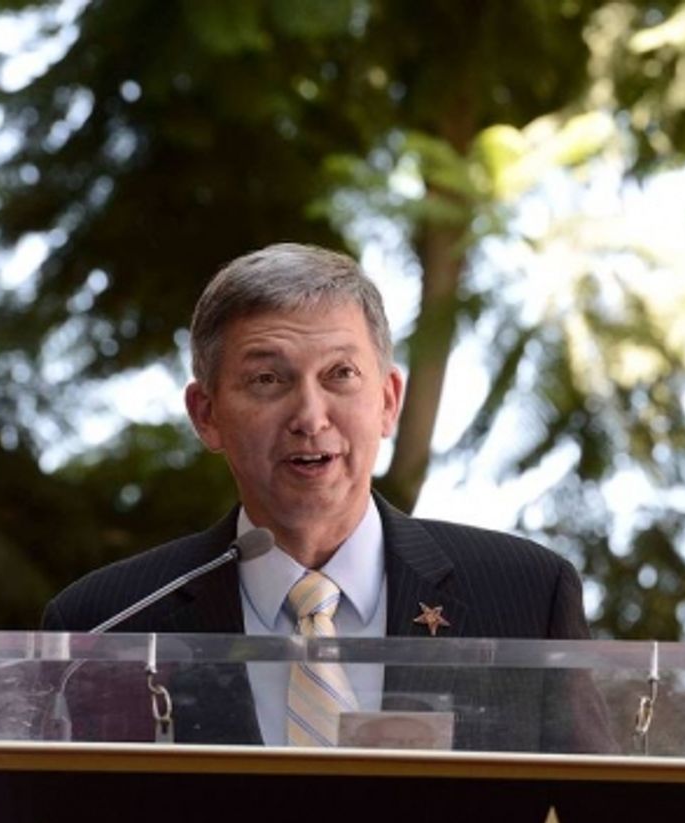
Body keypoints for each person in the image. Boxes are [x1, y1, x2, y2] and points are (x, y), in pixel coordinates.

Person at [42, 243, 612, 752]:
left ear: (387, 401)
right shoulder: (106, 625)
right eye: (268, 379)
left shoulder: (525, 598)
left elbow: (594, 818)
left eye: (340, 374)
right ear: (207, 415)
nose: (310, 417)